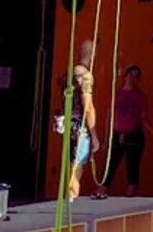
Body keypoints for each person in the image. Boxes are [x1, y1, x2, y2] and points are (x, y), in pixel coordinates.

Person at [96, 65, 153, 199]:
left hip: (134, 136)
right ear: (125, 76)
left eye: (136, 76)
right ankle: (100, 192)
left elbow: (143, 118)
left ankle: (130, 196)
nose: (132, 78)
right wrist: (106, 140)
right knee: (110, 166)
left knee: (132, 167)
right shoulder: (116, 94)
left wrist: (151, 130)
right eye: (130, 74)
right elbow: (109, 117)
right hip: (117, 135)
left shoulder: (141, 96)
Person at [62, 57, 99, 202]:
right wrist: (94, 136)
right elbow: (88, 109)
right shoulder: (84, 82)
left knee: (72, 162)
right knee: (77, 165)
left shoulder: (68, 82)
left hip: (68, 125)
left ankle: (70, 195)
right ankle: (71, 197)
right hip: (79, 128)